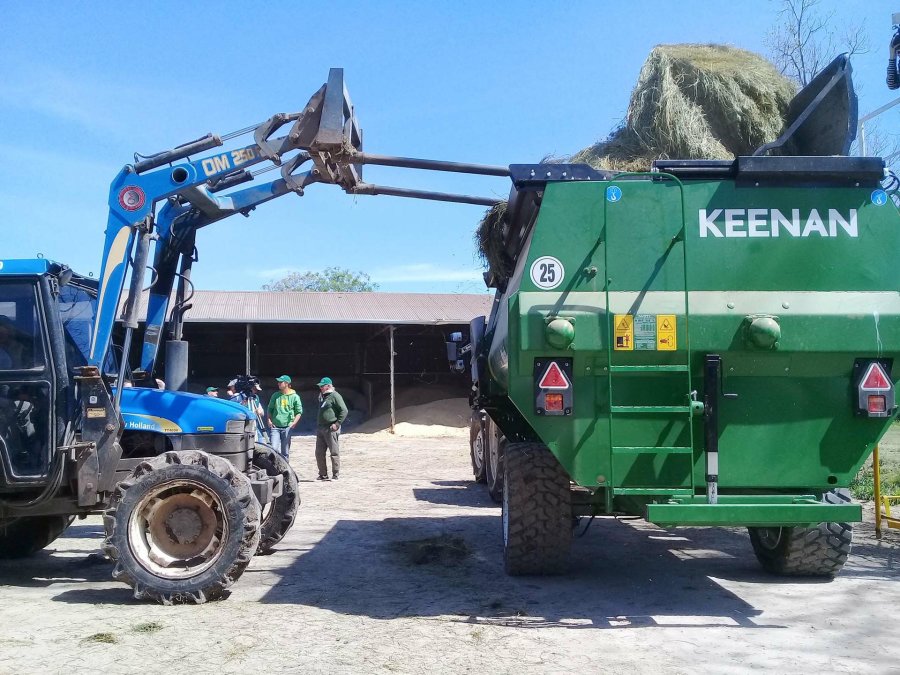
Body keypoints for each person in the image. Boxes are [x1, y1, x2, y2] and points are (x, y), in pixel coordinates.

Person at [315, 376, 347, 481]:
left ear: (328, 386)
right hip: (321, 428)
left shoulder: (335, 396)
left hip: (331, 427)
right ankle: (323, 474)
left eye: (322, 386)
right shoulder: (323, 396)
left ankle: (335, 474)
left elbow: (344, 410)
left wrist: (337, 424)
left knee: (334, 452)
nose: (320, 388)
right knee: (319, 453)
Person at [267, 375, 302, 460]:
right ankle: (274, 470)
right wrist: (269, 420)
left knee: (285, 451)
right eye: (278, 382)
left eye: (280, 382)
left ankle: (285, 471)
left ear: (286, 384)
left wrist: (294, 423)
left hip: (287, 427)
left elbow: (299, 412)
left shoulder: (295, 397)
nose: (278, 383)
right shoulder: (275, 395)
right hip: (275, 427)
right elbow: (270, 409)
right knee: (273, 449)